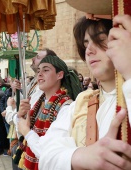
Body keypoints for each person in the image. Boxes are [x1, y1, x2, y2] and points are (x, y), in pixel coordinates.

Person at [39, 15, 131, 170]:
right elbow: (46, 155)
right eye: (86, 43)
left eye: (101, 39)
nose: (88, 50)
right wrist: (81, 156)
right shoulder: (82, 102)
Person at [16, 55, 81, 170]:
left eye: (46, 70)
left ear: (59, 75)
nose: (39, 74)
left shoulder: (66, 107)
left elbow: (47, 153)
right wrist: (20, 116)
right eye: (38, 71)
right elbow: (21, 131)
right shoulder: (38, 101)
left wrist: (27, 131)